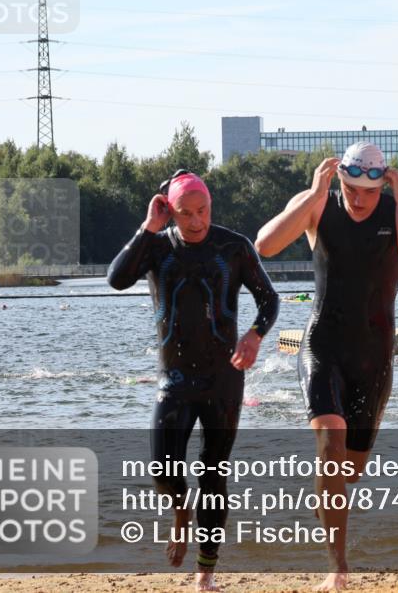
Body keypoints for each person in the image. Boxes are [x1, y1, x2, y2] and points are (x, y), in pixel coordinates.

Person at [253, 141, 398, 590]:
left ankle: (329, 509)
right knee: (330, 441)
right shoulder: (317, 207)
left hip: (374, 358)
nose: (357, 200)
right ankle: (337, 568)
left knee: (349, 470)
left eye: (367, 191)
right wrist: (312, 194)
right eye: (348, 188)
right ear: (338, 179)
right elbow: (265, 245)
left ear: (383, 185)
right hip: (322, 347)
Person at [107, 170, 279, 592]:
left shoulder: (233, 247)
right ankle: (180, 511)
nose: (197, 222)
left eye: (202, 211)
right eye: (186, 214)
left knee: (213, 474)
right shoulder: (157, 247)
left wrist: (255, 335)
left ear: (210, 206)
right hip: (175, 380)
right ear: (171, 211)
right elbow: (116, 279)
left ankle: (205, 573)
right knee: (163, 470)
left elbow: (269, 299)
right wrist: (149, 226)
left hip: (224, 380)